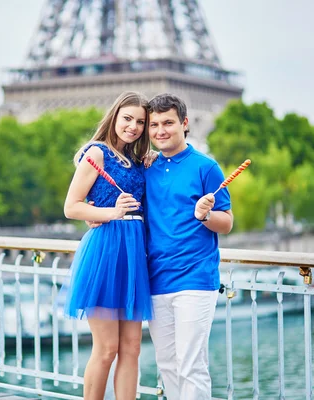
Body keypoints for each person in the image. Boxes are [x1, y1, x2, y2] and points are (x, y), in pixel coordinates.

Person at [62, 91, 153, 400]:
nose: (133, 126)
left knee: (133, 347)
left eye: (140, 121)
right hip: (105, 253)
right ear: (114, 117)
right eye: (127, 118)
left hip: (133, 255)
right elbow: (72, 207)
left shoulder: (140, 161)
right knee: (106, 349)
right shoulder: (98, 154)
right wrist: (110, 212)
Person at [145, 93, 233, 399]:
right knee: (167, 364)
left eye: (168, 122)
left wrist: (205, 215)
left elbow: (227, 221)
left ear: (184, 123)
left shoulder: (206, 167)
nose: (160, 131)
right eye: (154, 124)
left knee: (191, 365)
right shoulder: (147, 168)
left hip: (195, 279)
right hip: (156, 280)